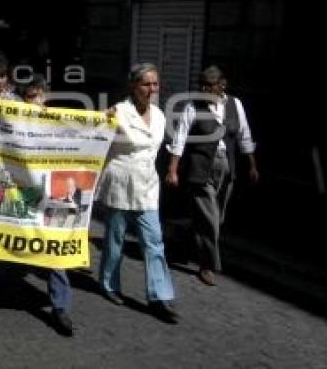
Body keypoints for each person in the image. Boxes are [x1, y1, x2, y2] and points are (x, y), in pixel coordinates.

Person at [0, 73, 75, 336]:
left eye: (39, 95)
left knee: (55, 247)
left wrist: (106, 119)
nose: (35, 102)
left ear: (45, 96)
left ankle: (61, 307)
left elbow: (83, 135)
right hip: (11, 188)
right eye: (29, 97)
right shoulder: (10, 119)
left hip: (48, 193)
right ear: (21, 99)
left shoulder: (56, 121)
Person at [95, 63, 178, 324]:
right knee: (115, 240)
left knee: (154, 242)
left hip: (147, 186)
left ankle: (159, 297)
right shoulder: (118, 112)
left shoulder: (160, 115)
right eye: (146, 84)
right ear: (133, 86)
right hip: (120, 183)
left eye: (155, 84)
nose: (151, 89)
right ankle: (109, 285)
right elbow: (92, 136)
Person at [166, 65, 258, 286]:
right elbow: (179, 138)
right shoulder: (192, 106)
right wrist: (172, 169)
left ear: (222, 85)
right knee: (211, 219)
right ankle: (207, 265)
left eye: (209, 85)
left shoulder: (235, 105)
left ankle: (182, 244)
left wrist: (252, 165)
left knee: (217, 217)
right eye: (201, 85)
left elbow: (245, 136)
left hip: (228, 168)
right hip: (201, 168)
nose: (204, 88)